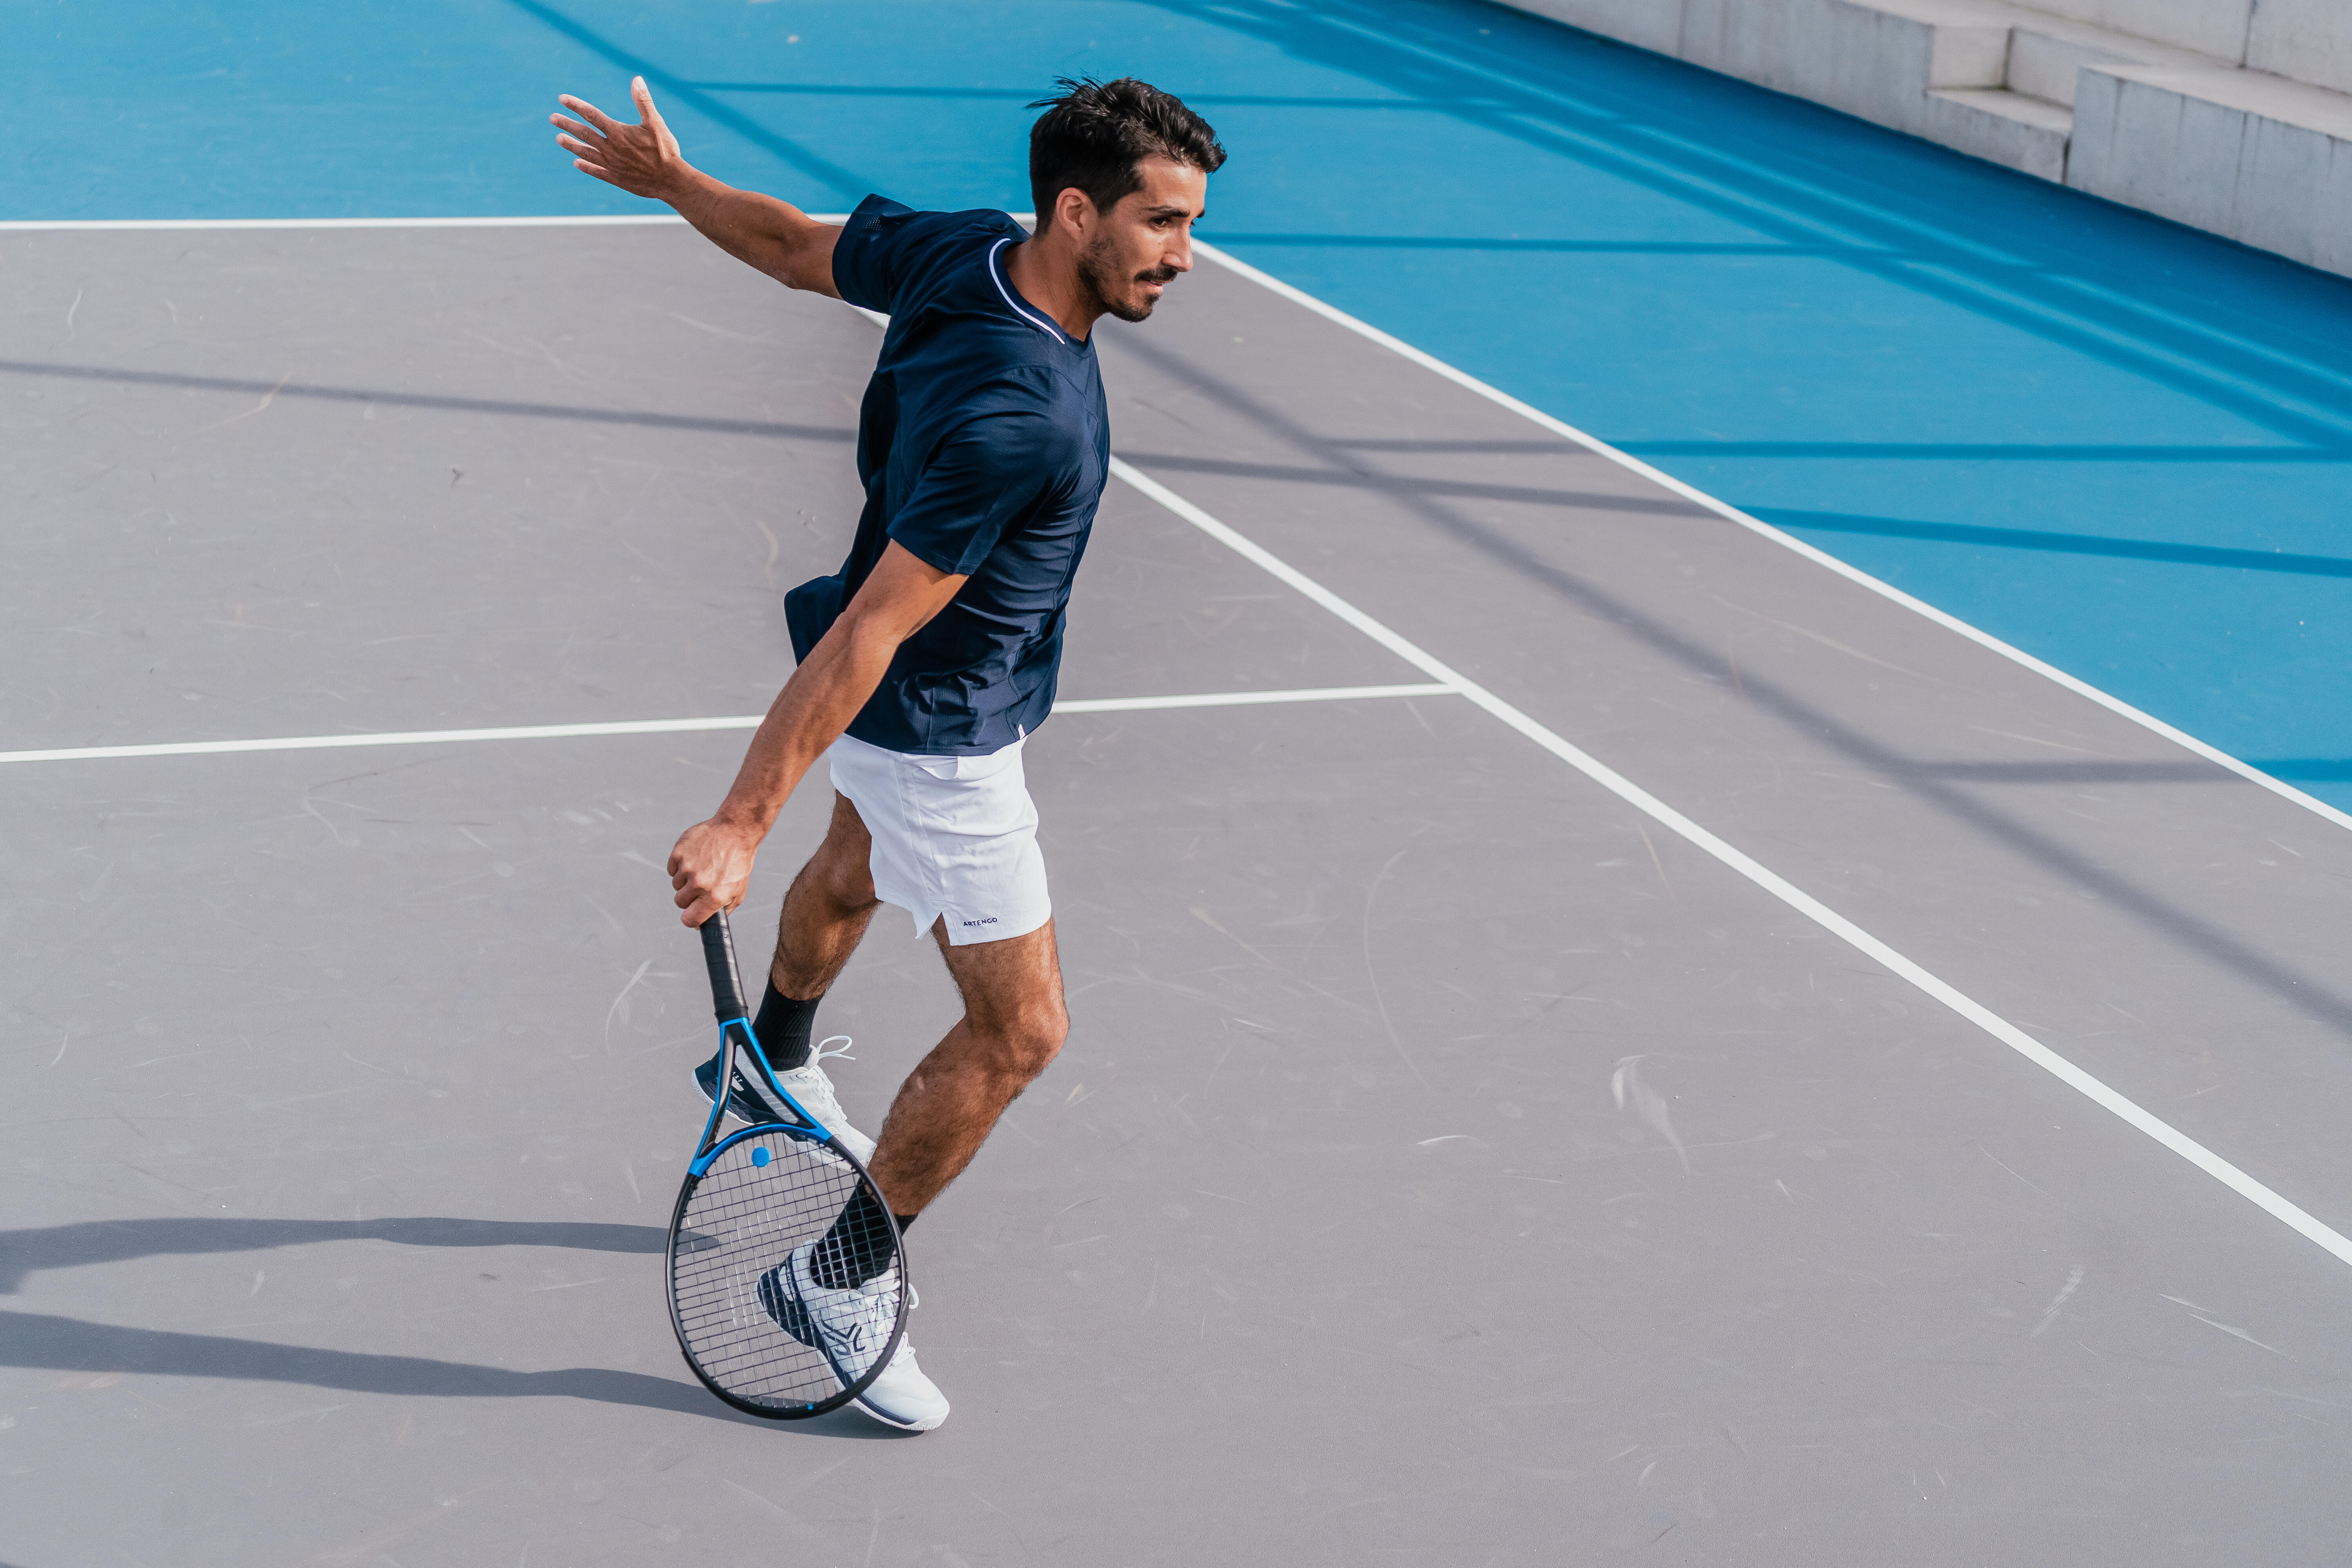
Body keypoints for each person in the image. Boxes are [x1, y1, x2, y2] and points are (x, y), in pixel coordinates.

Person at [549, 75, 1225, 1432]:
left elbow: (802, 250)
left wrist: (677, 185)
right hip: (945, 732)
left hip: (905, 708)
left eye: (1193, 224)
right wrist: (742, 816)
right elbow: (868, 631)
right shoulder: (1019, 416)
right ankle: (840, 1271)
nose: (1183, 255)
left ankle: (772, 1059)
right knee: (1020, 1030)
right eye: (1160, 223)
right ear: (1079, 210)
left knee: (854, 871)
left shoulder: (967, 248)